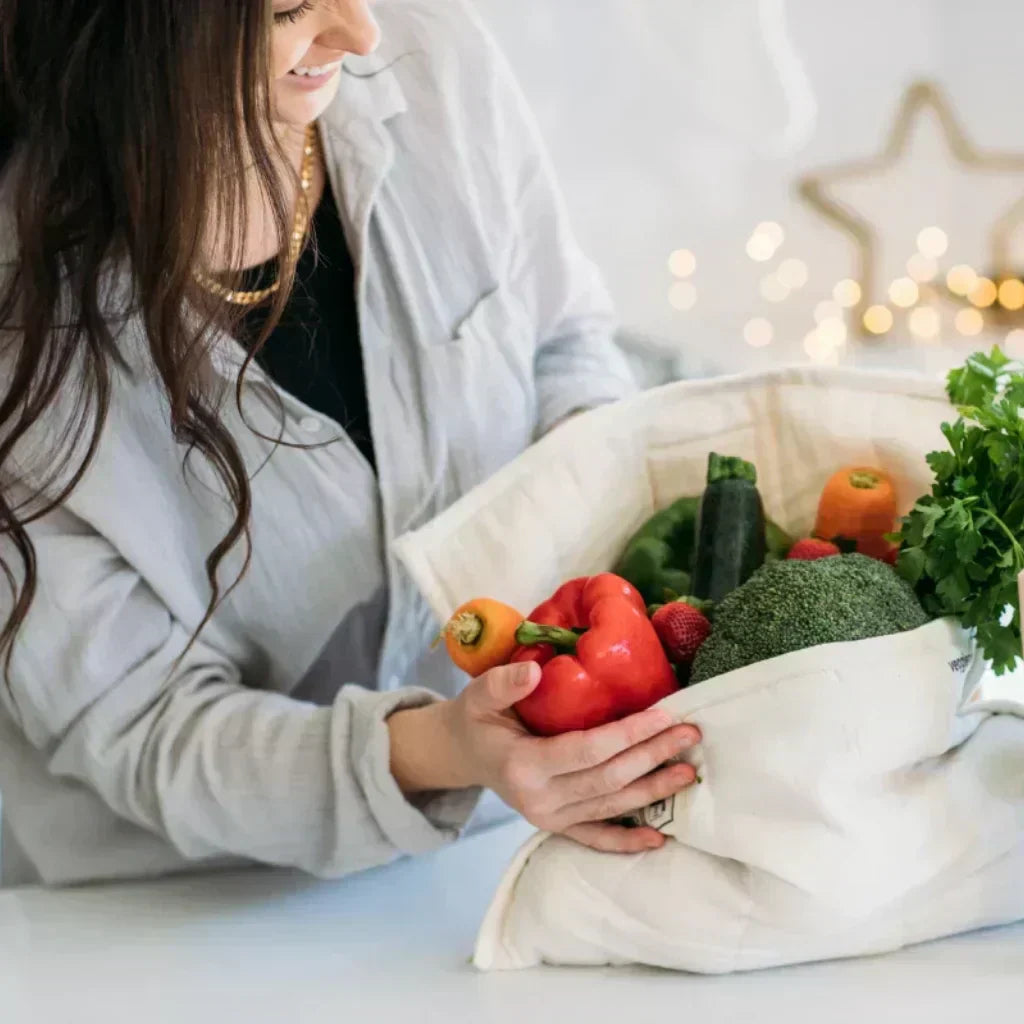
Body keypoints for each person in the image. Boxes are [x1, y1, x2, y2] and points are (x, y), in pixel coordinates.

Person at [0, 0, 700, 887]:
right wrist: (445, 747)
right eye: (292, 8)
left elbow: (562, 341)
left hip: (498, 841)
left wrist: (607, 582)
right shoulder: (26, 324)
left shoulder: (431, 65)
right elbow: (144, 725)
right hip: (188, 907)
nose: (361, 33)